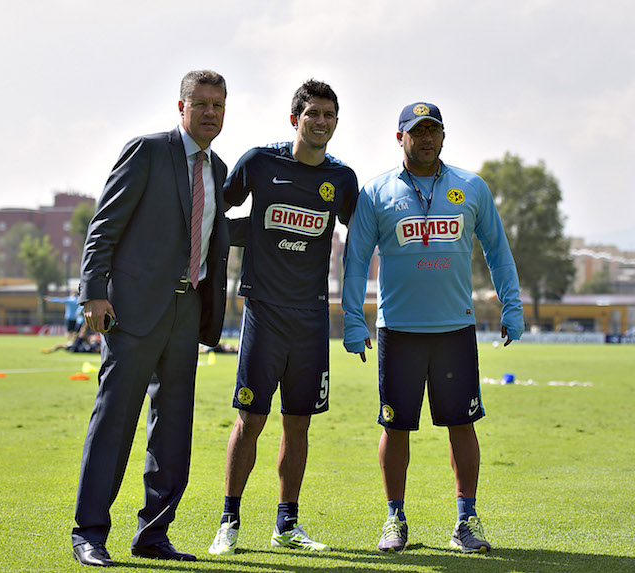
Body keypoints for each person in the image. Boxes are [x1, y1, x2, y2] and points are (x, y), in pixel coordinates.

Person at [341, 102, 524, 554]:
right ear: (399, 136)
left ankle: (466, 521)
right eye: (416, 131)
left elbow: (498, 251)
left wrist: (512, 306)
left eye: (433, 131)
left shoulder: (472, 187)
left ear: (443, 137)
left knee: (462, 425)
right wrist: (351, 319)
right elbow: (356, 260)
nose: (425, 138)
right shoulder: (376, 192)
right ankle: (394, 519)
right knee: (395, 426)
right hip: (398, 330)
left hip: (454, 330)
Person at [71, 70, 231, 567]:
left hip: (188, 311)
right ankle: (90, 534)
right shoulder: (147, 150)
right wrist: (94, 294)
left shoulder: (218, 168)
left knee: (174, 428)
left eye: (218, 105)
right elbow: (103, 227)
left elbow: (211, 237)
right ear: (180, 107)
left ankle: (154, 534)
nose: (209, 112)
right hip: (133, 311)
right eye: (200, 103)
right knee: (114, 421)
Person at [207, 79, 358, 556]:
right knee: (250, 419)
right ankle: (228, 523)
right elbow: (212, 212)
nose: (320, 122)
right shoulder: (258, 162)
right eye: (312, 113)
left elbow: (368, 234)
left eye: (328, 115)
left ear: (336, 123)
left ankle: (286, 525)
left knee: (299, 424)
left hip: (313, 320)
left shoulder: (344, 179)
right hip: (264, 314)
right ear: (295, 119)